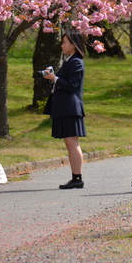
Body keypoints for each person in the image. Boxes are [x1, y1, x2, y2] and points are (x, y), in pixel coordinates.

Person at [42, 31, 87, 189]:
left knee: (72, 142)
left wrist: (54, 79)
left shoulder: (76, 62)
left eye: (64, 42)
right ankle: (76, 177)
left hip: (70, 107)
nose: (62, 45)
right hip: (65, 107)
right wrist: (54, 78)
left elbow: (72, 86)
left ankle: (77, 178)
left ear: (73, 45)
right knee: (70, 143)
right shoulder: (70, 61)